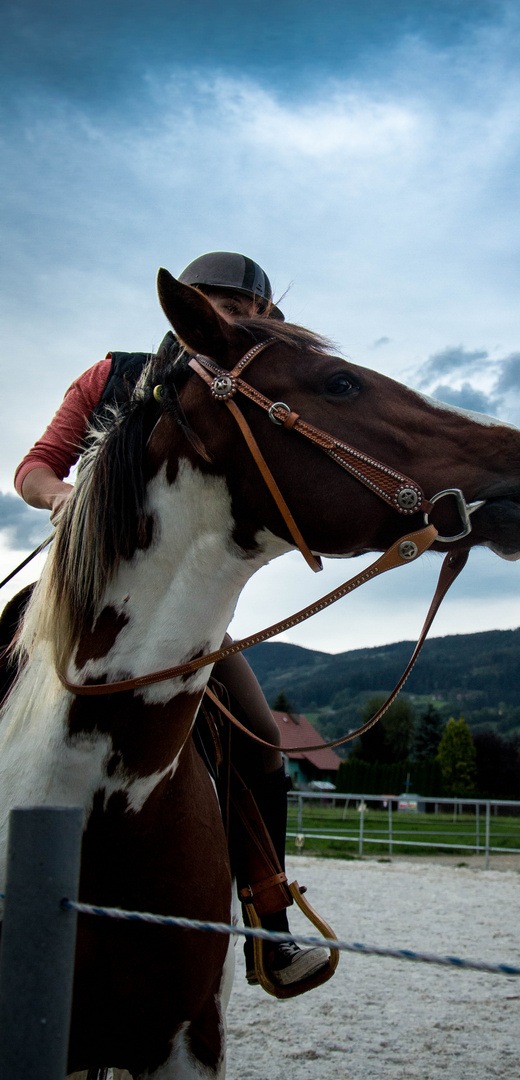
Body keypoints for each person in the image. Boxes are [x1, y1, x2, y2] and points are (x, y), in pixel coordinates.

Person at [14, 251, 329, 990]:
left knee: (260, 744)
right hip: (75, 597)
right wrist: (67, 499)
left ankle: (266, 926)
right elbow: (35, 467)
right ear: (186, 308)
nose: (232, 321)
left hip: (183, 615)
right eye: (217, 306)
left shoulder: (263, 392)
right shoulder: (113, 376)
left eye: (247, 313)